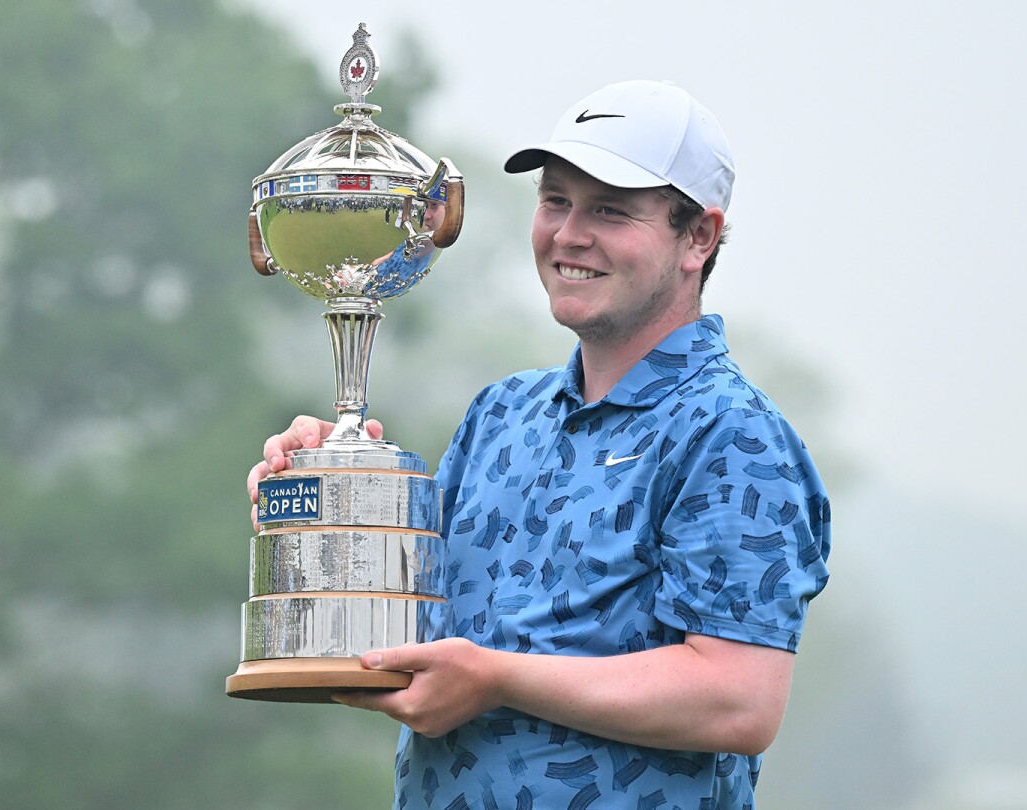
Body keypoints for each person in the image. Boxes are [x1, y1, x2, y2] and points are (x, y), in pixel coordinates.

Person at [248, 80, 831, 809]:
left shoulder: (729, 432)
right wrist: (325, 499)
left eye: (610, 211)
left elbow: (738, 700)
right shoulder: (501, 413)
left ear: (699, 237)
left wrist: (495, 678)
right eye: (555, 200)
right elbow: (409, 626)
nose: (568, 234)